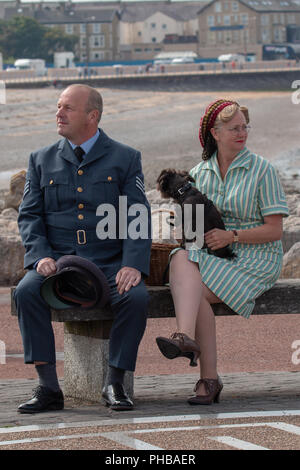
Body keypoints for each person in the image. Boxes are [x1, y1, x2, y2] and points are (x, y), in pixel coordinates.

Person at [14, 84, 151, 413]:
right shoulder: (41, 159)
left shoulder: (125, 158)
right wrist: (40, 256)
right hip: (58, 265)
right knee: (24, 292)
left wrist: (132, 264)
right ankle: (48, 387)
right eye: (58, 107)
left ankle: (114, 382)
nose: (58, 113)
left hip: (109, 263)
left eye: (67, 108)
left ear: (92, 116)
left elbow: (137, 216)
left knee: (136, 297)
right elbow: (30, 216)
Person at [156, 99, 289, 405]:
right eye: (234, 128)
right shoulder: (198, 173)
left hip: (257, 257)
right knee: (179, 256)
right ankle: (189, 345)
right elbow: (191, 227)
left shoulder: (263, 171)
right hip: (211, 256)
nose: (242, 133)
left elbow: (275, 231)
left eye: (244, 127)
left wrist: (232, 235)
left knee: (192, 288)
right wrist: (183, 228)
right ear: (215, 133)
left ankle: (204, 372)